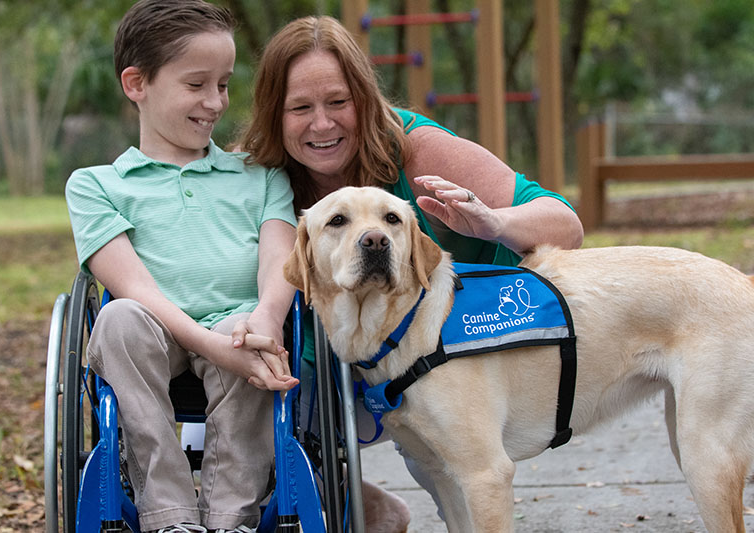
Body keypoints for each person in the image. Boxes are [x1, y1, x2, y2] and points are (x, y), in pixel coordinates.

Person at [238, 15, 584, 530]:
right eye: (300, 108)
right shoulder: (255, 178)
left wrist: (492, 221)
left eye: (338, 102)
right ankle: (365, 504)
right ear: (273, 113)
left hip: (449, 351)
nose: (323, 123)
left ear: (364, 97)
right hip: (321, 365)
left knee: (457, 479)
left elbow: (566, 225)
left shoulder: (414, 147)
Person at [65, 2, 298, 532]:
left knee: (252, 333)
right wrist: (208, 344)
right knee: (118, 318)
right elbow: (132, 286)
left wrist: (263, 318)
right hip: (153, 329)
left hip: (235, 322)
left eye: (224, 84)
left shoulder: (260, 175)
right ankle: (168, 515)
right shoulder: (97, 185)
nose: (215, 102)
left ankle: (228, 518)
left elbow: (280, 260)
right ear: (136, 83)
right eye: (197, 85)